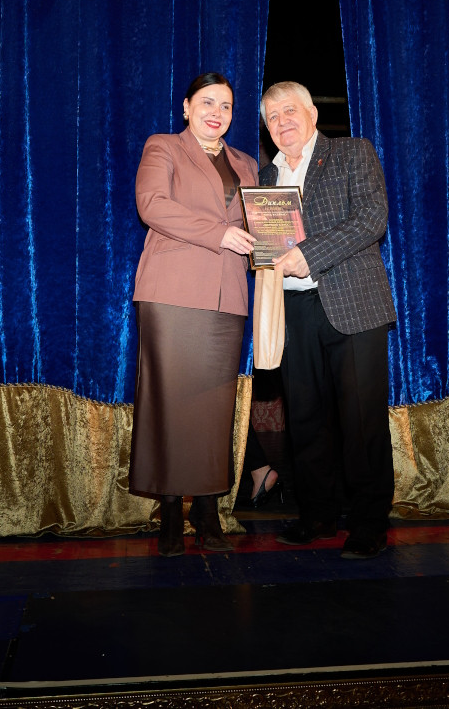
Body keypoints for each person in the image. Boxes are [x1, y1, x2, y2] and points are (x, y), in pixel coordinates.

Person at [259, 81, 397, 559]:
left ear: (313, 113)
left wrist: (308, 255)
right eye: (272, 116)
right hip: (294, 311)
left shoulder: (353, 152)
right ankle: (316, 514)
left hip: (354, 305)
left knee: (361, 421)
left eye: (290, 110)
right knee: (304, 419)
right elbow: (269, 249)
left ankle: (368, 523)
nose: (282, 121)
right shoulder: (266, 178)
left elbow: (372, 219)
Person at [130, 72, 259, 556]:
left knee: (214, 408)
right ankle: (169, 513)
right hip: (172, 292)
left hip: (228, 296)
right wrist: (218, 233)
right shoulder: (163, 146)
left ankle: (207, 512)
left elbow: (261, 224)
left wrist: (279, 242)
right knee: (169, 403)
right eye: (207, 102)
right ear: (186, 107)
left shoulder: (246, 163)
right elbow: (152, 206)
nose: (216, 113)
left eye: (225, 106)